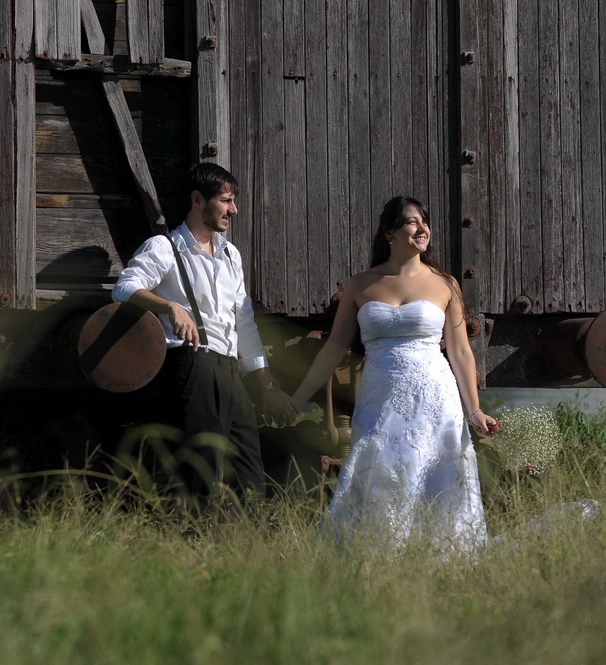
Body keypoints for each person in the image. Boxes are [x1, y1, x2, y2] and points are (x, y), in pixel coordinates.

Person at [289, 195, 496, 552]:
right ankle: (377, 556)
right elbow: (334, 348)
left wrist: (474, 410)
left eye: (424, 221)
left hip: (434, 395)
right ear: (389, 233)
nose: (422, 229)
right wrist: (296, 400)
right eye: (411, 222)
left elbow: (460, 351)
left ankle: (441, 556)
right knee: (378, 469)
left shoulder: (445, 284)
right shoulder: (361, 284)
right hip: (380, 396)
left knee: (438, 474)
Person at [112, 163, 296, 499]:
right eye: (226, 200)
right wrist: (168, 306)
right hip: (193, 367)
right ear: (198, 199)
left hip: (230, 372)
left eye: (233, 200)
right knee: (202, 472)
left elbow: (245, 324)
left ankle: (249, 544)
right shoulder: (165, 247)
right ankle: (196, 540)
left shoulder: (230, 254)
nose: (234, 209)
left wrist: (266, 384)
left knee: (250, 475)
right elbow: (124, 288)